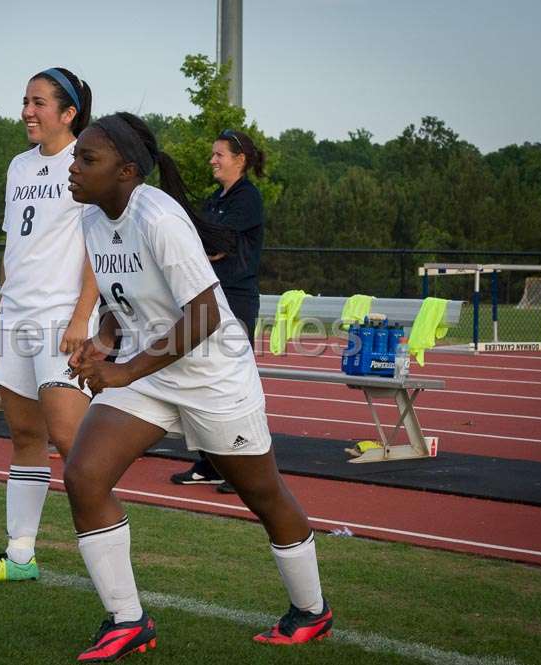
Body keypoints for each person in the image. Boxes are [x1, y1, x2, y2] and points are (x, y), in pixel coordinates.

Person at [64, 112, 332, 662]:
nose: (73, 167)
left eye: (87, 159)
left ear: (127, 171)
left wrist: (120, 371)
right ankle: (127, 621)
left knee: (263, 495)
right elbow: (125, 297)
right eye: (76, 157)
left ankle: (311, 610)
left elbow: (206, 313)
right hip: (149, 370)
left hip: (213, 374)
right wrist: (105, 341)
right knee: (84, 475)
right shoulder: (93, 218)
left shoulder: (158, 217)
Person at [0, 68, 98, 583]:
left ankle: (104, 550)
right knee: (24, 433)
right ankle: (20, 555)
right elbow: (14, 250)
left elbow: (98, 251)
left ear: (69, 113)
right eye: (25, 101)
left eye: (39, 102)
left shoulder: (86, 163)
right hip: (15, 314)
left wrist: (82, 316)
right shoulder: (19, 166)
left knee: (71, 439)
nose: (27, 111)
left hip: (62, 317)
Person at [170, 129, 266, 493]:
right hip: (208, 298)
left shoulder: (248, 199)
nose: (212, 160)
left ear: (239, 159)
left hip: (236, 298)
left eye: (219, 154)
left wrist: (209, 245)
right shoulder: (215, 199)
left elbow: (214, 241)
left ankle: (242, 465)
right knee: (204, 380)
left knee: (233, 384)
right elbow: (198, 240)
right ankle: (210, 463)